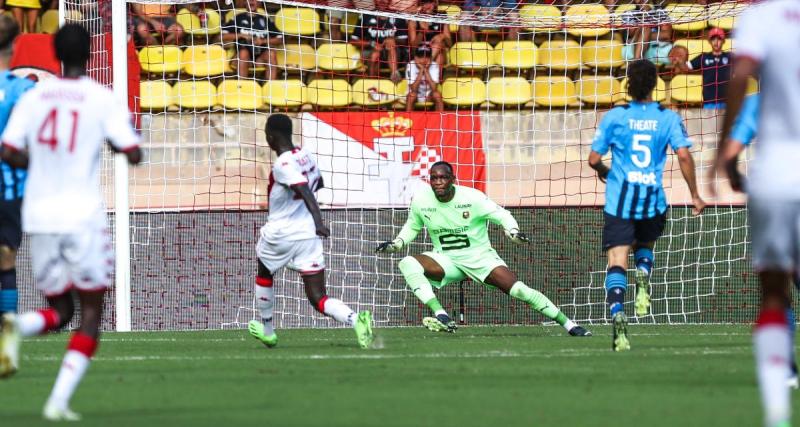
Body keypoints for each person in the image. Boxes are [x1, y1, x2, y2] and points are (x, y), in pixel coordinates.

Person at [0, 24, 142, 421]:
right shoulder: (102, 98)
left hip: (39, 214)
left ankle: (13, 324)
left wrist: (42, 164)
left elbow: (8, 151)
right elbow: (132, 153)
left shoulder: (35, 94)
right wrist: (118, 144)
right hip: (81, 215)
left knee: (59, 310)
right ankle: (58, 401)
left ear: (56, 54)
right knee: (90, 313)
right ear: (91, 55)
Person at [376, 161, 591, 337]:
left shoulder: (472, 197)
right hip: (447, 260)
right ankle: (441, 314)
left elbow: (502, 215)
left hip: (480, 259)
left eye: (443, 178)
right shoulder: (421, 200)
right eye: (434, 178)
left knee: (519, 290)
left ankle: (569, 325)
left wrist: (513, 232)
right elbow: (412, 226)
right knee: (407, 262)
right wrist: (397, 244)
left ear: (453, 180)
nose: (438, 182)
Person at [715, 1, 800, 423]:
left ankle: (778, 408)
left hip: (776, 179)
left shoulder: (760, 17)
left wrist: (725, 162)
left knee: (773, 292)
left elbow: (741, 73)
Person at [588, 59, 705, 352]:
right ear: (656, 84)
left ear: (628, 84)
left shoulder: (615, 117)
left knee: (616, 262)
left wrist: (606, 172)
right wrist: (695, 195)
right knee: (645, 247)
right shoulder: (668, 117)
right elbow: (684, 156)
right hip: (652, 200)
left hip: (620, 201)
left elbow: (592, 160)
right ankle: (644, 271)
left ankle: (617, 313)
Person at [247, 114, 374, 349]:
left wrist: (319, 220)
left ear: (270, 137)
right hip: (308, 237)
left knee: (264, 272)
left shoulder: (282, 163)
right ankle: (356, 320)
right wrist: (313, 223)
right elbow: (319, 183)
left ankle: (267, 330)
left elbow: (304, 189)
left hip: (281, 233)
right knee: (318, 297)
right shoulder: (305, 155)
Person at [0, 17, 33, 318]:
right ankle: (6, 342)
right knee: (6, 261)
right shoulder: (24, 90)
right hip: (11, 187)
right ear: (14, 44)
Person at [221, 0, 282, 80]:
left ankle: (270, 88)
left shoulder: (265, 19)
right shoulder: (237, 18)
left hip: (260, 58)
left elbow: (280, 39)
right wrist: (242, 35)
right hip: (243, 56)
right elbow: (222, 36)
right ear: (245, 3)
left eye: (254, 0)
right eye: (249, 0)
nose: (252, 1)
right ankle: (242, 88)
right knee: (243, 53)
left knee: (271, 54)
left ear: (259, 3)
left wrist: (263, 41)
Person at [672, 27, 731, 109]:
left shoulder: (729, 56)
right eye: (713, 39)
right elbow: (685, 68)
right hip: (709, 100)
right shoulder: (704, 57)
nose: (716, 42)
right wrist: (679, 60)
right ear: (709, 41)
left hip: (726, 100)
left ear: (723, 41)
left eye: (719, 39)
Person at [350, 13, 407, 82]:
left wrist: (393, 39)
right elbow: (353, 41)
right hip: (370, 51)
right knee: (375, 55)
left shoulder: (398, 16)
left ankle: (395, 76)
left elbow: (404, 41)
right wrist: (371, 43)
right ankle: (372, 84)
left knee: (391, 45)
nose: (382, 1)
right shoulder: (365, 16)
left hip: (394, 52)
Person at [620, 0, 673, 66]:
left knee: (681, 51)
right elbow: (632, 34)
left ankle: (636, 63)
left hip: (658, 48)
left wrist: (645, 36)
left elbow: (666, 35)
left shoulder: (661, 12)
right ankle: (637, 62)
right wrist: (645, 16)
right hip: (634, 47)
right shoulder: (628, 14)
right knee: (645, 28)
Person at [407, 0, 451, 67]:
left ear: (435, 3)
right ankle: (427, 69)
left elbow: (450, 43)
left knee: (438, 46)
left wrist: (443, 36)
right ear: (420, 5)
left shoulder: (442, 15)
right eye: (424, 3)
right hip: (419, 52)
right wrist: (422, 32)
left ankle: (425, 68)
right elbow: (413, 47)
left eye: (430, 2)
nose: (427, 6)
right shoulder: (414, 19)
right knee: (439, 56)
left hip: (437, 50)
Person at [405, 46, 443, 111]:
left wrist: (425, 70)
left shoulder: (434, 66)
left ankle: (441, 120)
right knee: (412, 95)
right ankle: (409, 119)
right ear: (415, 58)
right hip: (415, 94)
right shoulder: (410, 65)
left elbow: (434, 88)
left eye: (426, 57)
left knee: (437, 95)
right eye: (421, 57)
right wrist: (421, 70)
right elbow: (414, 89)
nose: (424, 59)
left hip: (428, 95)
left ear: (431, 58)